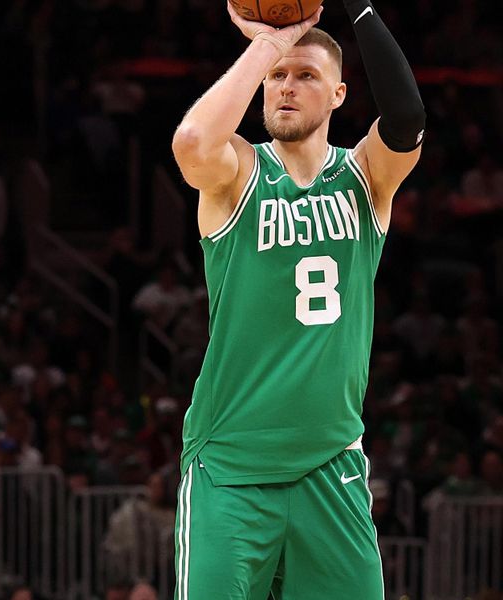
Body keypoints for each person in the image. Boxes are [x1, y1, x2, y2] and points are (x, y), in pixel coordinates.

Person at [170, 0, 425, 596]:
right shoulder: (239, 172)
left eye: (305, 76)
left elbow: (407, 117)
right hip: (231, 470)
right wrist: (269, 43)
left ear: (339, 94)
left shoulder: (366, 177)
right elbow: (191, 142)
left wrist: (358, 6)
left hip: (329, 466)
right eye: (277, 78)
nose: (286, 87)